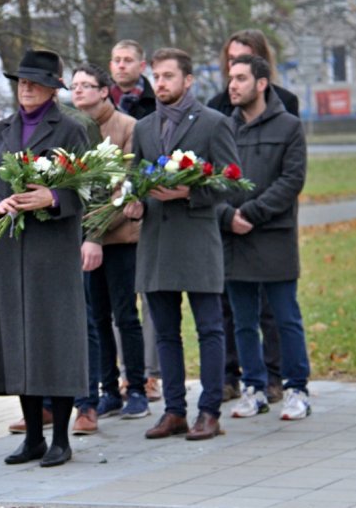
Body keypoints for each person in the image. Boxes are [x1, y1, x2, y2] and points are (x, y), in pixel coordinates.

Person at [0, 49, 89, 467]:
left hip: (51, 251)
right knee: (19, 339)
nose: (27, 87)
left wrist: (52, 196)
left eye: (35, 82)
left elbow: (90, 187)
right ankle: (33, 435)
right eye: (22, 81)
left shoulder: (71, 130)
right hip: (8, 250)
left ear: (53, 89)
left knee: (55, 340)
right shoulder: (0, 130)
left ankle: (61, 439)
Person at [123, 48, 239, 441]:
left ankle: (209, 412)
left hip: (197, 240)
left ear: (188, 80)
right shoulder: (144, 128)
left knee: (210, 328)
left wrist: (188, 195)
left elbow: (229, 181)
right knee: (166, 333)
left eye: (168, 76)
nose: (160, 83)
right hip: (156, 243)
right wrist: (133, 205)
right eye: (156, 76)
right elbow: (134, 179)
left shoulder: (213, 123)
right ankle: (174, 411)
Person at [207, 29, 300, 404]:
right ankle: (237, 377)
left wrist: (254, 211)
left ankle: (278, 378)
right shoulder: (217, 109)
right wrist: (227, 214)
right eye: (230, 61)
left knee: (274, 310)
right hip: (230, 226)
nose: (234, 70)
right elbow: (210, 173)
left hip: (270, 222)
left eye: (243, 61)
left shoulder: (286, 106)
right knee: (232, 308)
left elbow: (289, 171)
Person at [69, 62, 147, 435]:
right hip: (82, 242)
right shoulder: (69, 129)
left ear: (105, 91)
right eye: (74, 86)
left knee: (124, 316)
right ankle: (107, 388)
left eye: (87, 85)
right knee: (94, 318)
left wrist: (96, 233)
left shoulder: (127, 128)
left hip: (118, 239)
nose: (79, 91)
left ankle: (137, 388)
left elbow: (126, 190)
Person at [109, 39, 162, 402]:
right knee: (120, 300)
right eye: (116, 60)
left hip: (150, 209)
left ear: (141, 65)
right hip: (112, 215)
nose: (122, 65)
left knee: (151, 297)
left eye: (128, 60)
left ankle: (152, 374)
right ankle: (127, 373)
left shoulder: (155, 103)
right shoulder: (101, 103)